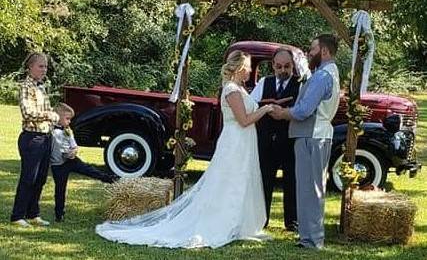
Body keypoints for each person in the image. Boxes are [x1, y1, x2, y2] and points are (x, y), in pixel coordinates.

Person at [96, 50, 274, 248]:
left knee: (240, 180)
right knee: (229, 181)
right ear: (240, 68)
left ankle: (238, 223)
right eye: (248, 67)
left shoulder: (238, 88)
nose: (250, 71)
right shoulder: (232, 89)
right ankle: (223, 223)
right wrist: (265, 110)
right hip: (236, 141)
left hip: (243, 141)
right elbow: (244, 120)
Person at [270, 34, 340, 249]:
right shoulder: (328, 73)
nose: (309, 53)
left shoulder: (321, 77)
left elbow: (304, 110)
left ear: (324, 51)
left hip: (312, 136)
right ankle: (308, 236)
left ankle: (312, 239)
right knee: (309, 188)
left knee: (311, 188)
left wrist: (282, 113)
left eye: (312, 49)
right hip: (314, 135)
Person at [250, 48, 301, 231]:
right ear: (273, 66)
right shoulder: (265, 82)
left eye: (287, 66)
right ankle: (262, 219)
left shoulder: (301, 85)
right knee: (264, 180)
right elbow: (251, 105)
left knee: (292, 180)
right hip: (267, 140)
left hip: (290, 140)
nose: (282, 70)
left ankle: (292, 221)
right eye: (279, 67)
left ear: (292, 65)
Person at [10, 52, 59, 227]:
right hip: (32, 138)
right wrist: (50, 115)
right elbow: (27, 112)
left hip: (45, 137)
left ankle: (33, 214)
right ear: (30, 67)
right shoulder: (26, 87)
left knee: (41, 178)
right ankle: (17, 216)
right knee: (28, 177)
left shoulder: (41, 87)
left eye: (45, 66)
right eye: (40, 66)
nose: (44, 70)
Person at [51, 103, 115, 222]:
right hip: (58, 164)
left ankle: (110, 179)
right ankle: (59, 214)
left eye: (70, 119)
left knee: (89, 169)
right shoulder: (52, 132)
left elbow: (73, 144)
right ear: (57, 117)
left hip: (71, 160)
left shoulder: (68, 131)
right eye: (67, 119)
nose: (69, 121)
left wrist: (74, 151)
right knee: (60, 189)